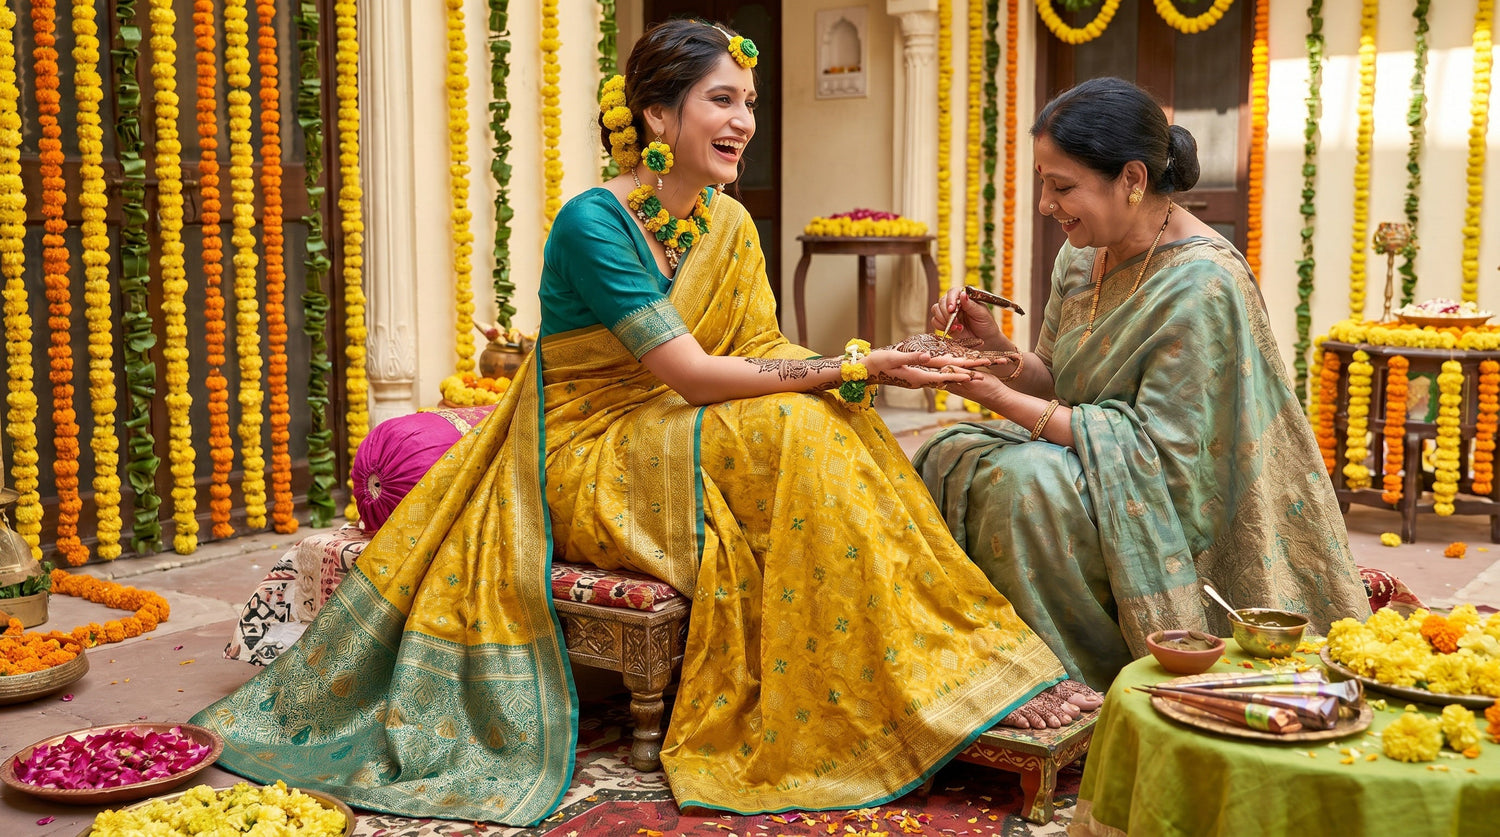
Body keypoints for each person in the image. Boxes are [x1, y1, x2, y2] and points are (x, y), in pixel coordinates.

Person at [192, 21, 1099, 826]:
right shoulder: (596, 223)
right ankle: (922, 672)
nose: (744, 120)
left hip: (675, 426)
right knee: (798, 427)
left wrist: (866, 371)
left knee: (835, 426)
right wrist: (860, 364)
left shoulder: (729, 225)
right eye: (721, 100)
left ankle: (942, 662)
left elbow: (759, 347)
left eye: (748, 102)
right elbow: (696, 375)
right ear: (660, 117)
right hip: (589, 449)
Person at [914, 77, 1371, 691]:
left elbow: (1165, 452)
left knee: (1026, 483)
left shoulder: (1204, 282)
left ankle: (1071, 679)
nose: (1046, 205)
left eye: (1062, 186)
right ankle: (997, 669)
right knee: (947, 454)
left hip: (1181, 501)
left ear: (1132, 179)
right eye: (1043, 184)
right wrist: (994, 352)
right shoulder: (1081, 254)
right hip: (1102, 460)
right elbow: (1058, 378)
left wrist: (999, 399)